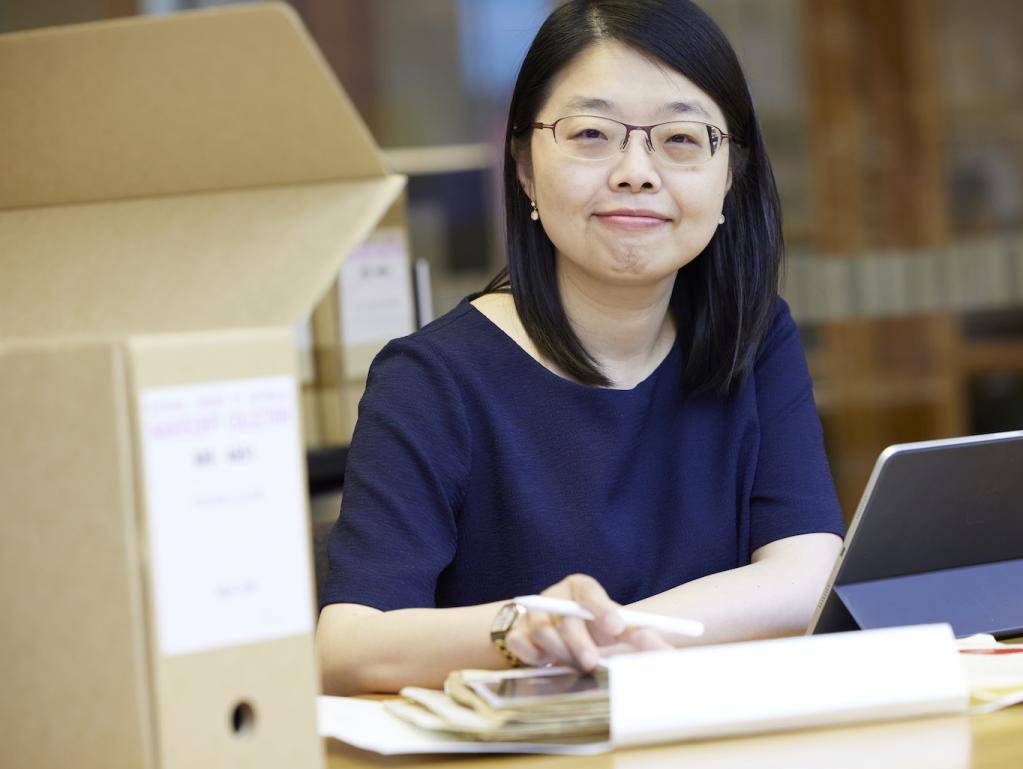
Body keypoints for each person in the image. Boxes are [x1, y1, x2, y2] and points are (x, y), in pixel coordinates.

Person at [317, 0, 844, 695]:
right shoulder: (432, 379)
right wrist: (519, 628)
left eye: (681, 139)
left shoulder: (755, 337)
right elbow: (347, 644)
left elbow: (807, 576)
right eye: (592, 134)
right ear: (526, 169)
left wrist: (603, 635)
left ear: (730, 179)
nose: (636, 171)